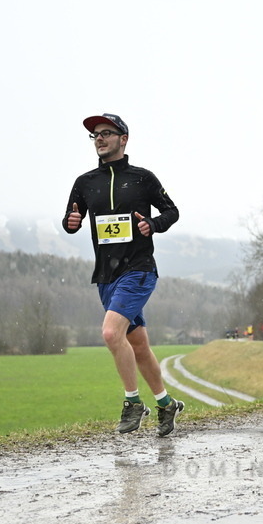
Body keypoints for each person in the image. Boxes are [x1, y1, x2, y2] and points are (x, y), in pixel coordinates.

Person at [63, 113, 184, 436]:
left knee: (109, 334)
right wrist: (70, 224)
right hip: (106, 275)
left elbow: (171, 211)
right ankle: (166, 403)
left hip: (139, 270)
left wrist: (153, 224)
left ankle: (133, 403)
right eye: (95, 135)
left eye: (106, 133)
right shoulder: (85, 182)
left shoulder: (142, 179)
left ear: (123, 139)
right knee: (138, 345)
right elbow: (71, 218)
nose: (99, 139)